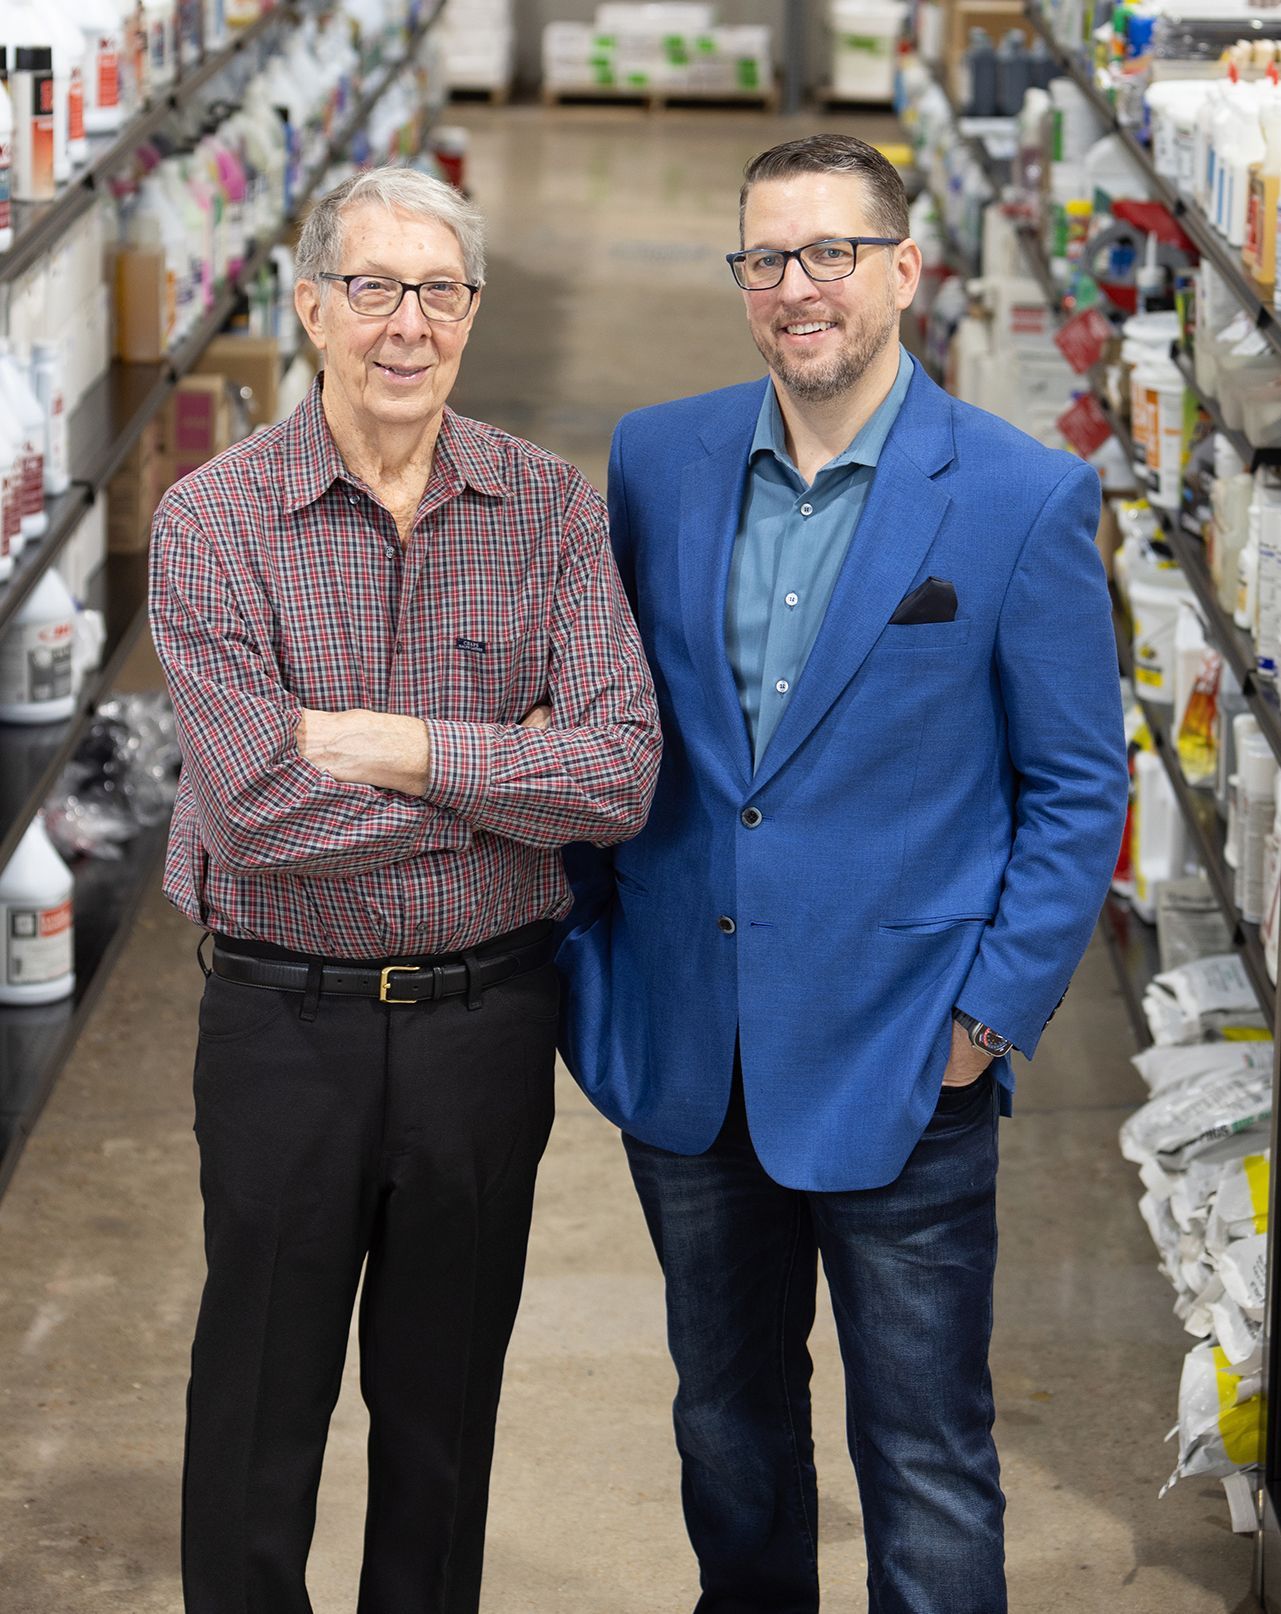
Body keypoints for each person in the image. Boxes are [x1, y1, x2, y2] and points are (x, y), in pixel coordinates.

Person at [556, 134, 1129, 1613]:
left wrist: (984, 1019)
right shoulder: (657, 462)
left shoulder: (1017, 499)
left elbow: (1075, 787)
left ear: (904, 269)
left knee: (924, 1449)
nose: (795, 288)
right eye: (765, 258)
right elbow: (600, 721)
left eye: (829, 254)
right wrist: (587, 962)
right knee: (724, 1428)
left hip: (901, 1054)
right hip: (687, 1049)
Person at [148, 165, 661, 1614]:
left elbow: (617, 772)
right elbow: (249, 810)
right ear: (309, 304)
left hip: (480, 1030)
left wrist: (399, 748)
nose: (405, 324)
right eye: (371, 287)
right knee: (255, 1406)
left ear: (473, 312)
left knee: (442, 1421)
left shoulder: (548, 509)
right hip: (280, 1027)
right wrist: (502, 787)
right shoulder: (213, 520)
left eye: (438, 291)